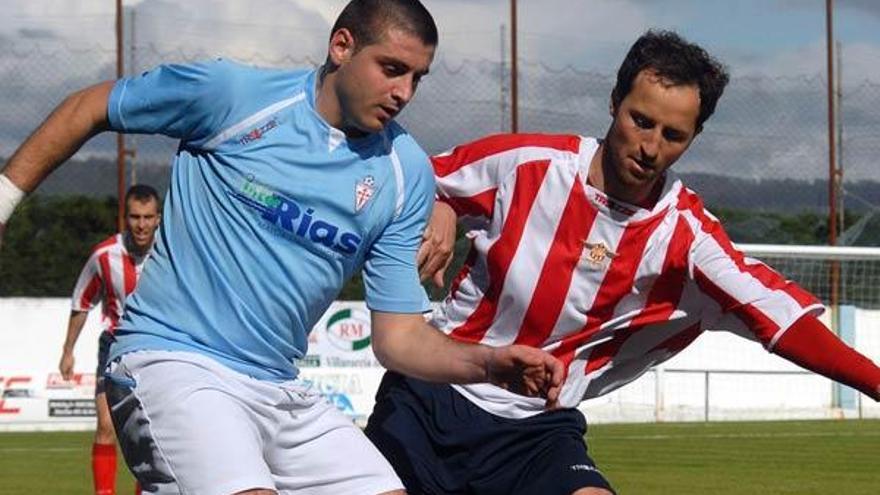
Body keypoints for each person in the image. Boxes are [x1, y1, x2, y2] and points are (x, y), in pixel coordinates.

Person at [0, 1, 563, 494]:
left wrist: (487, 364)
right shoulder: (233, 96)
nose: (403, 92)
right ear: (341, 46)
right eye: (392, 69)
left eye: (417, 78)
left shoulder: (406, 172)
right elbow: (89, 106)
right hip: (173, 359)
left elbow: (399, 339)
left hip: (280, 389)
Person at [365, 30, 880, 495]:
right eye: (641, 120)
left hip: (537, 431)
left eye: (673, 135)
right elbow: (411, 177)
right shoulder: (525, 165)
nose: (650, 147)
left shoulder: (687, 239)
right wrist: (442, 204)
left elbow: (783, 320)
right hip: (431, 395)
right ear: (614, 104)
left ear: (694, 138)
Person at [60, 184, 160, 495]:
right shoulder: (104, 256)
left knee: (151, 434)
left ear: (158, 218)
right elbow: (81, 302)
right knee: (106, 425)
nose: (141, 224)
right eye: (134, 217)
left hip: (158, 349)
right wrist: (68, 351)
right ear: (124, 218)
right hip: (115, 346)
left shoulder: (173, 254)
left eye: (147, 217)